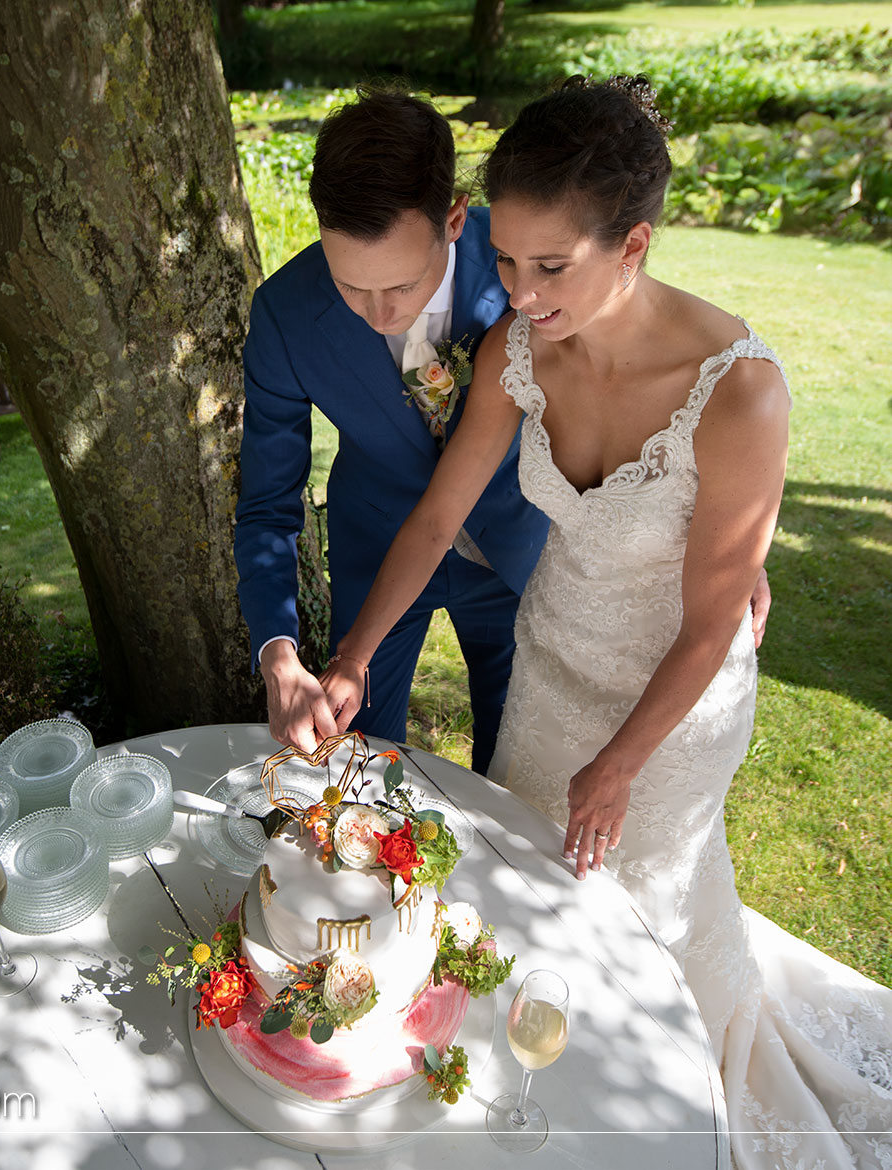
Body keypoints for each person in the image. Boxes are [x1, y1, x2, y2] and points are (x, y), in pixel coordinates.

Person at [321, 75, 891, 1168]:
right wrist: (353, 658)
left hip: (675, 711)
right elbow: (440, 514)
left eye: (551, 267)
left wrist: (626, 762)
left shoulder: (740, 392)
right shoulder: (519, 350)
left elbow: (717, 615)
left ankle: (664, 1124)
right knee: (538, 920)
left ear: (631, 244)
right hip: (554, 665)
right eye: (505, 260)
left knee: (640, 941)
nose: (520, 294)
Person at [234, 88, 549, 773]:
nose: (379, 313)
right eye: (351, 287)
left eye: (402, 286)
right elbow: (266, 503)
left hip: (517, 548)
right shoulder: (285, 314)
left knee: (521, 764)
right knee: (358, 767)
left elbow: (633, 377)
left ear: (457, 218)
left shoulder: (528, 264)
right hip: (376, 553)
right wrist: (277, 650)